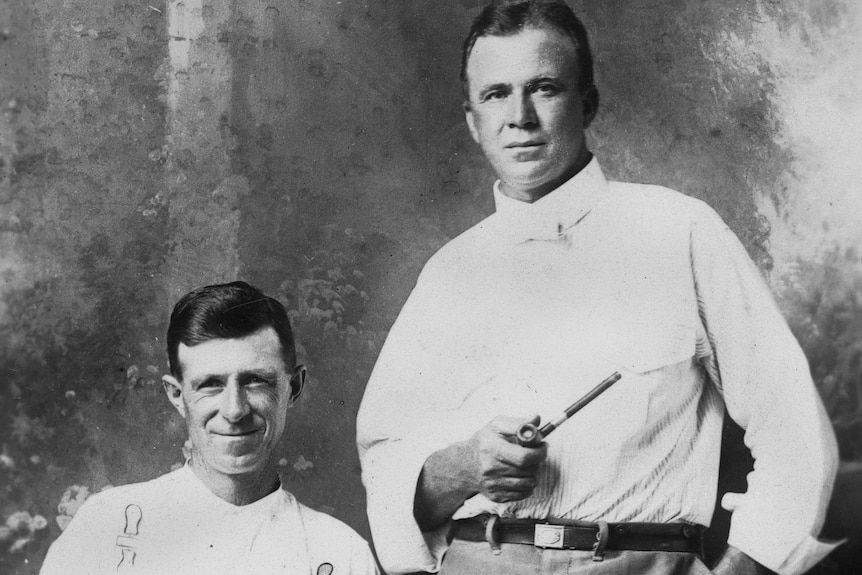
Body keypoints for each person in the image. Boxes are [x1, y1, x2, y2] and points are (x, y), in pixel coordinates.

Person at [356, 2, 839, 575]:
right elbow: (386, 462)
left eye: (544, 88)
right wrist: (460, 468)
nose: (520, 117)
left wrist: (746, 566)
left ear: (588, 103)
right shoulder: (447, 273)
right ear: (471, 121)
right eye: (495, 95)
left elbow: (795, 429)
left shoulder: (679, 231)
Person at [42, 281, 379, 575]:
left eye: (256, 381)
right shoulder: (106, 526)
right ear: (177, 394)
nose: (234, 410)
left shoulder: (341, 553)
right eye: (210, 385)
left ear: (294, 387)